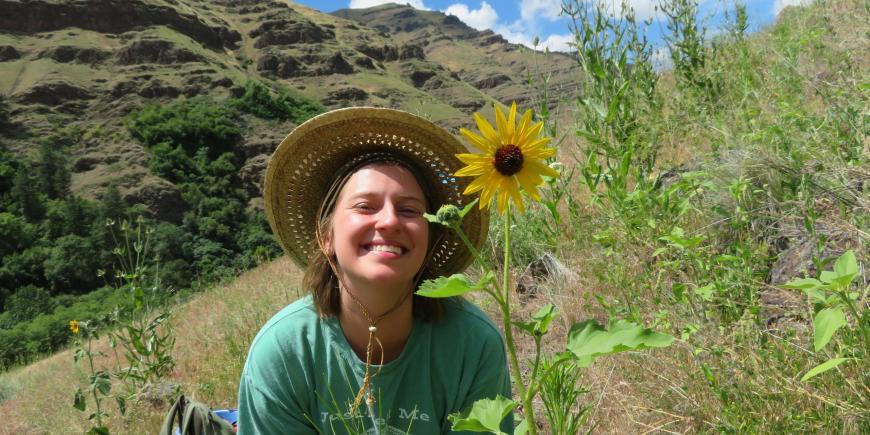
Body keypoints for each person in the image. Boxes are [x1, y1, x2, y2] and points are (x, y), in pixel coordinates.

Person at [238, 108, 513, 434]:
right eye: (365, 206)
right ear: (326, 236)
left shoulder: (473, 345)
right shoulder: (283, 353)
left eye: (409, 210)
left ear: (430, 238)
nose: (389, 221)